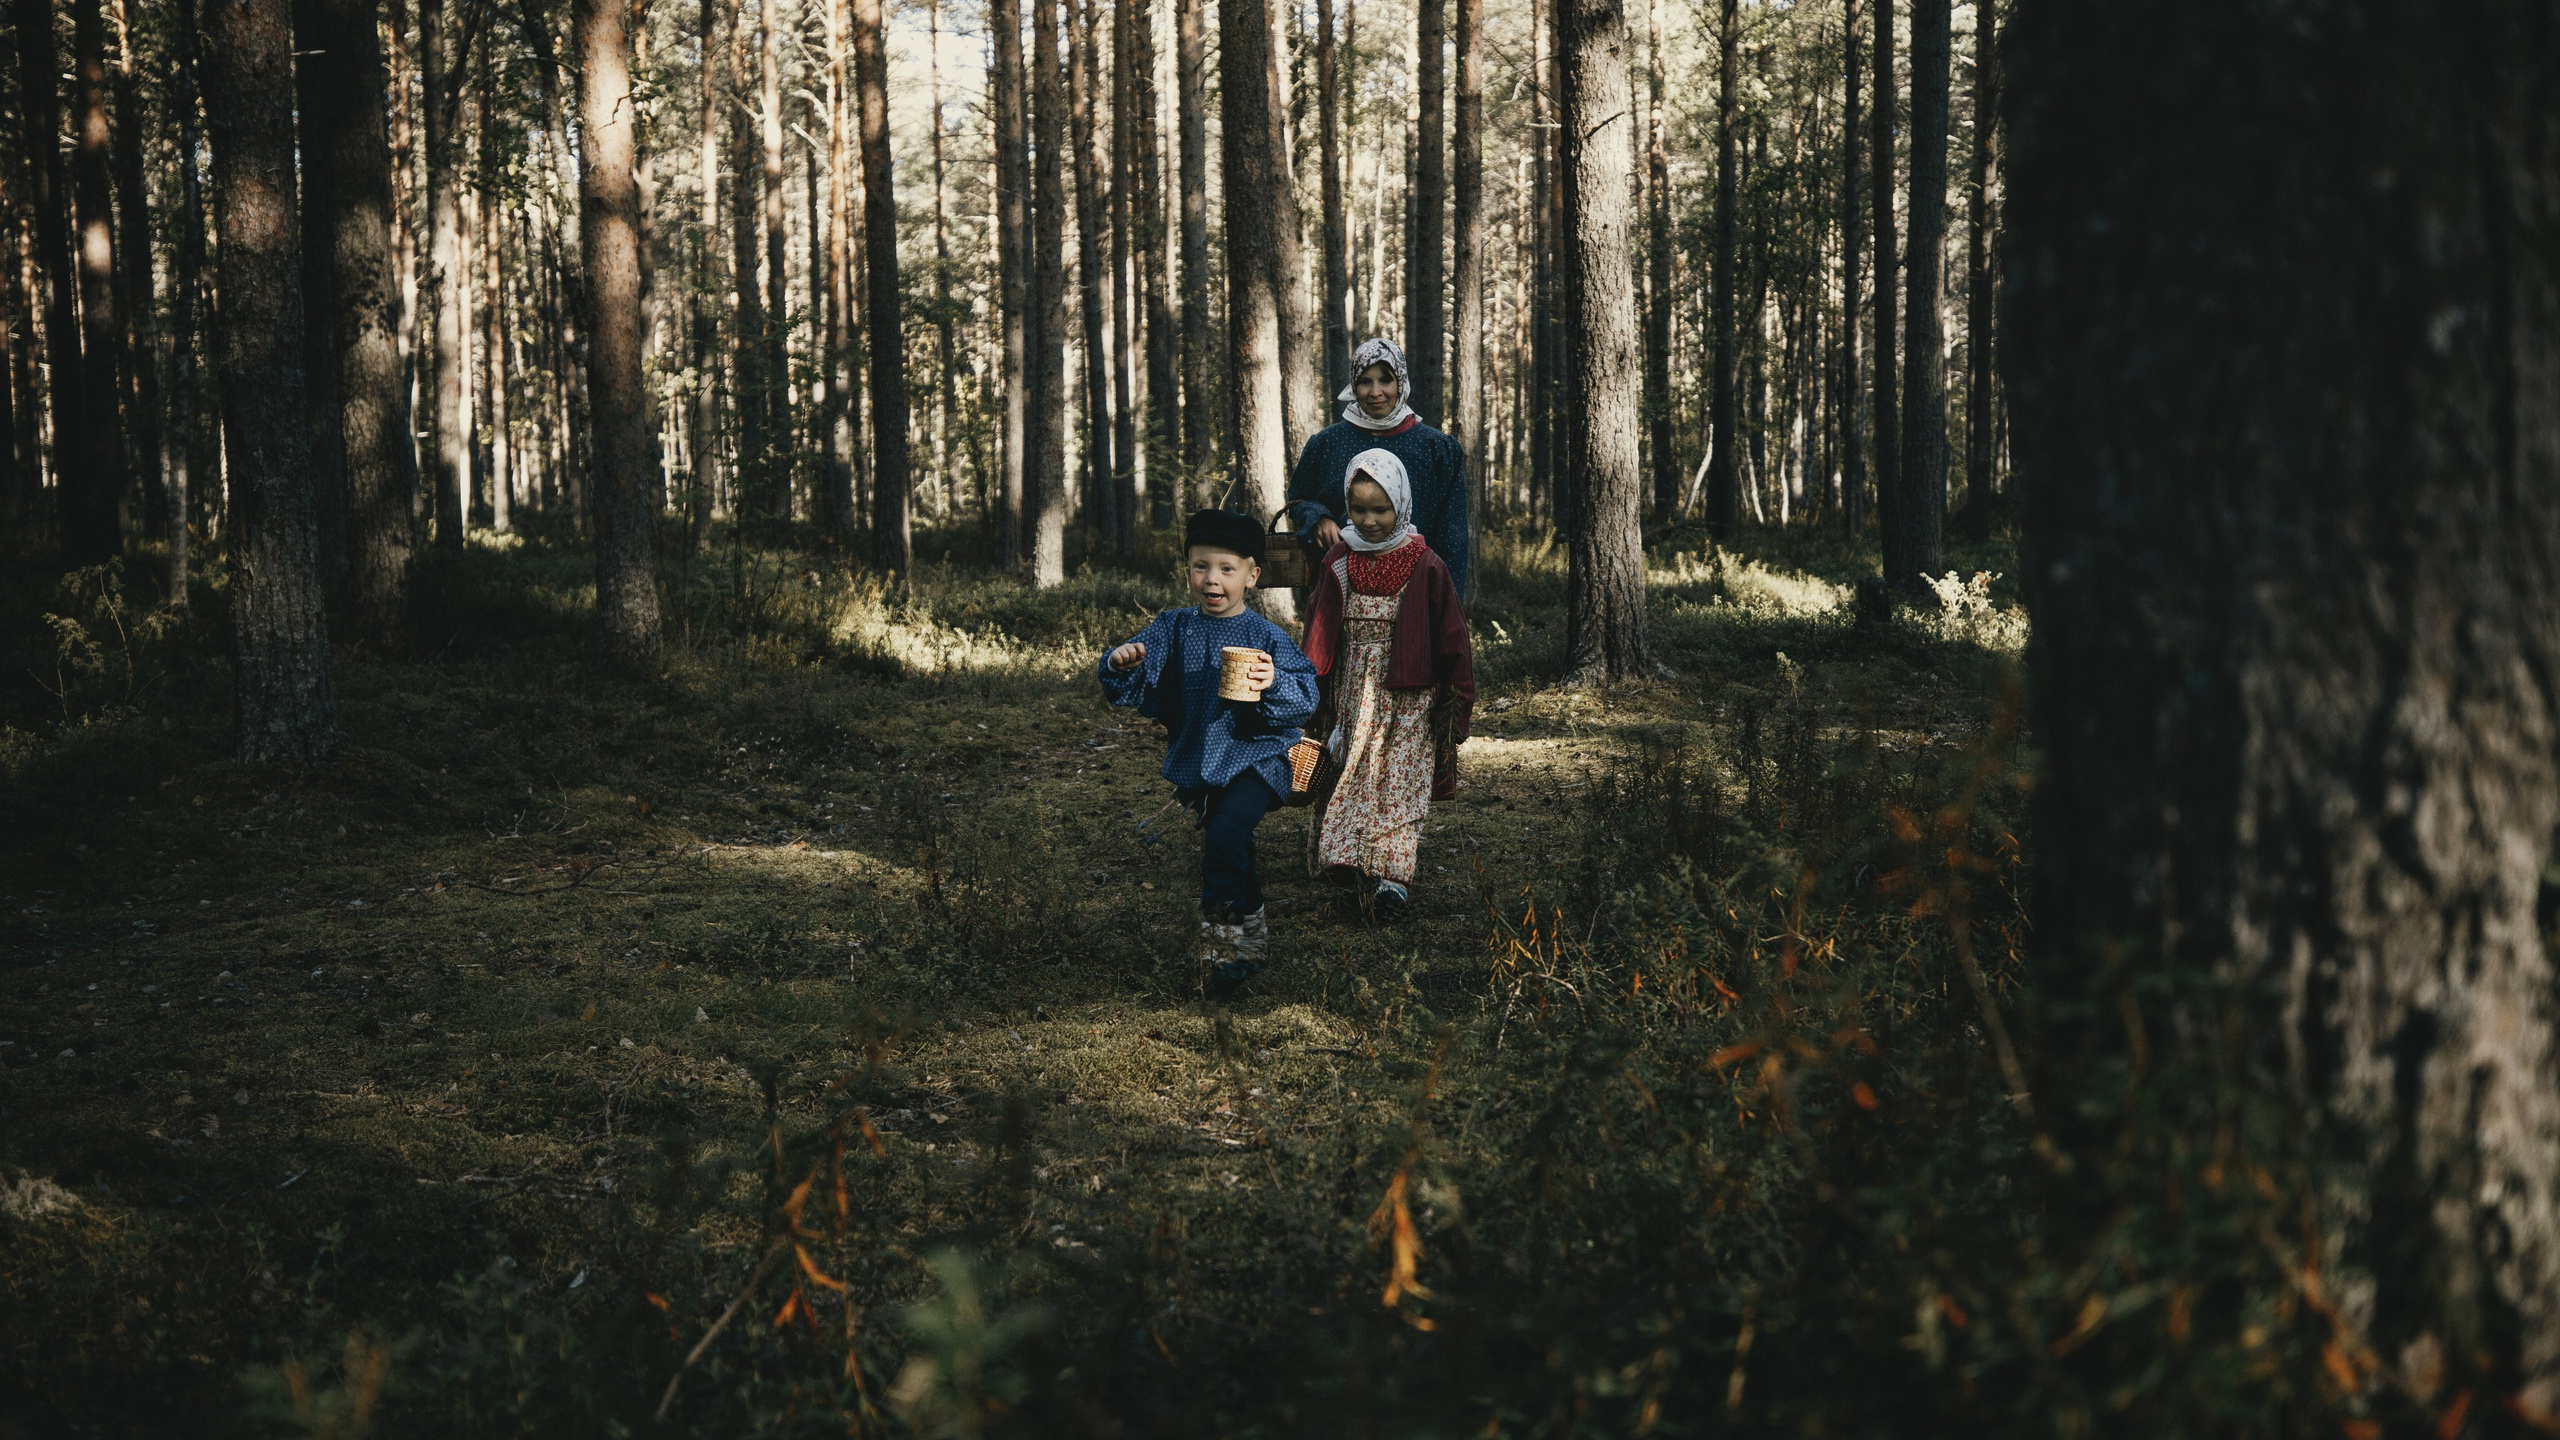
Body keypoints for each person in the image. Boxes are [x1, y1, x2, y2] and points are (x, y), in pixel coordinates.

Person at [1100, 509, 1321, 993]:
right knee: (1232, 845)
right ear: (1187, 571)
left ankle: (1221, 951)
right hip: (1204, 761)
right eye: (1201, 566)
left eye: (1226, 568)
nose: (1212, 579)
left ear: (1252, 576)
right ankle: (1252, 933)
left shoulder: (1266, 636)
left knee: (1224, 837)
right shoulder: (1173, 627)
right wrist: (1120, 661)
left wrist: (1273, 681)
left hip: (1258, 760)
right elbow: (1132, 672)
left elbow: (1306, 696)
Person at [1299, 451, 1475, 920]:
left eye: (1381, 509)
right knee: (1348, 773)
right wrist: (1308, 692)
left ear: (1400, 503)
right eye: (1358, 509)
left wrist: (1458, 703)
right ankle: (1348, 863)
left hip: (1409, 695)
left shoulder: (1425, 563)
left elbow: (1453, 637)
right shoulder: (1340, 559)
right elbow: (1318, 625)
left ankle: (1391, 877)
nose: (1369, 520)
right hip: (1352, 691)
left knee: (1397, 781)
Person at [1286, 337, 1473, 598]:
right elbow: (1298, 499)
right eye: (1365, 381)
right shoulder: (1327, 443)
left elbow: (1453, 537)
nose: (1375, 392)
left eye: (1385, 380)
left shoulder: (1436, 449)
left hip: (1415, 592)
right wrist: (1318, 517)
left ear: (1401, 382)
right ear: (1354, 384)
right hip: (1338, 592)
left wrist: (1445, 602)